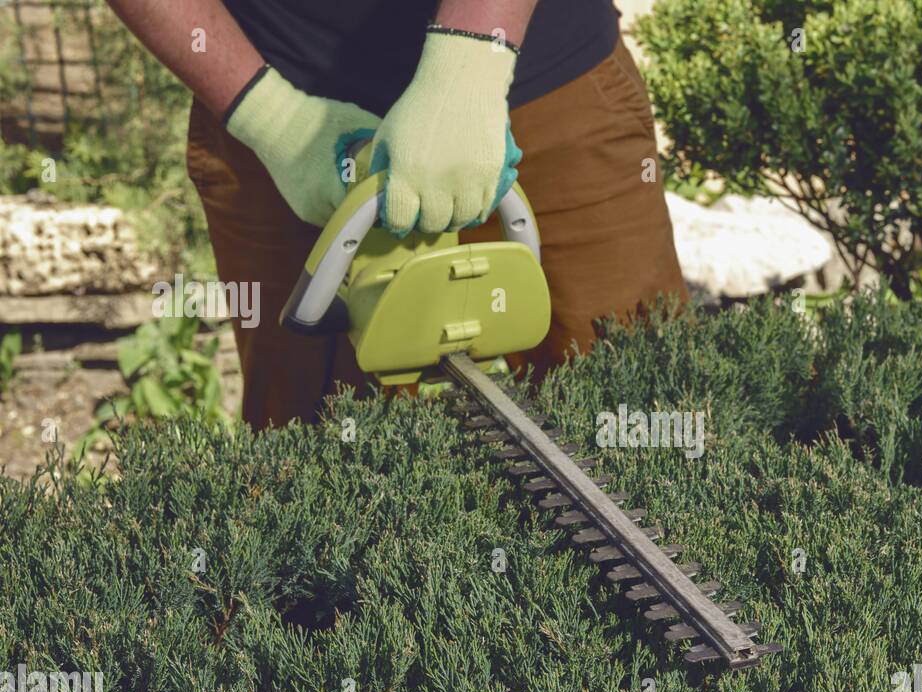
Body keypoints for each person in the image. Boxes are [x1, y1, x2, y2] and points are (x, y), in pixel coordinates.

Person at [107, 0, 687, 429]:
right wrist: (273, 120)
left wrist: (471, 61)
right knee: (316, 460)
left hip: (547, 79)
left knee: (640, 410)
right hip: (282, 108)